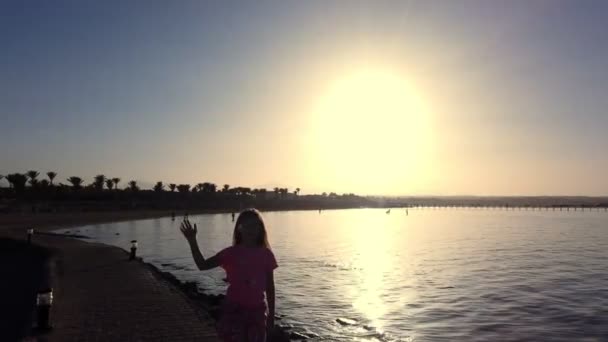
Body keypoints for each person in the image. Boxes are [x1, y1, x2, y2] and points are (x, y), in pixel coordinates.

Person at [180, 209, 278, 341]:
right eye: (247, 225)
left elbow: (270, 288)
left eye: (255, 225)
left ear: (261, 229)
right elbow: (202, 265)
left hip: (257, 314)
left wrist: (271, 316)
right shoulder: (230, 253)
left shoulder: (267, 255)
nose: (251, 229)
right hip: (234, 313)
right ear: (239, 229)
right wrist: (192, 241)